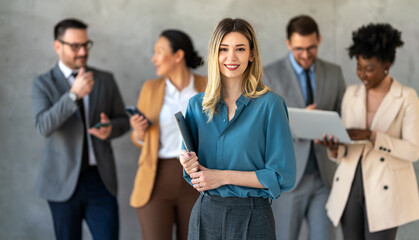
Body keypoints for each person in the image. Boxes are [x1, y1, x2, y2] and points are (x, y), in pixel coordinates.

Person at [179, 18, 296, 240]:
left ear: (252, 54)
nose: (231, 57)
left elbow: (281, 175)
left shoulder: (271, 105)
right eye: (223, 49)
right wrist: (187, 162)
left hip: (253, 215)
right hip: (206, 214)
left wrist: (222, 177)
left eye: (240, 49)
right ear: (215, 53)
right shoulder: (196, 105)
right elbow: (193, 171)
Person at [317, 23, 419, 240]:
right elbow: (345, 147)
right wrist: (335, 149)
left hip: (385, 189)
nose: (362, 74)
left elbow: (414, 151)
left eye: (369, 68)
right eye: (359, 67)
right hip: (349, 186)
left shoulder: (407, 96)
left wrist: (372, 136)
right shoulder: (352, 94)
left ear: (387, 65)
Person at [31, 18, 130, 240]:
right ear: (58, 46)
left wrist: (110, 129)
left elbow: (123, 121)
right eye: (75, 46)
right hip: (62, 181)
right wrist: (73, 95)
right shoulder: (42, 83)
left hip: (100, 179)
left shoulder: (105, 79)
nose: (83, 51)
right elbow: (43, 126)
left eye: (86, 44)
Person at [263, 15, 346, 240]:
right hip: (288, 176)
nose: (306, 54)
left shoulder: (334, 72)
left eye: (311, 47)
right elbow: (262, 127)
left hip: (325, 177)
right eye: (299, 48)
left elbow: (343, 117)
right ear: (288, 43)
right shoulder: (269, 74)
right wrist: (297, 124)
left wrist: (335, 135)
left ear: (319, 40)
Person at [129, 30, 207, 240]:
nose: (153, 58)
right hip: (156, 178)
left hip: (197, 178)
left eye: (159, 52)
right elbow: (140, 140)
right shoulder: (150, 89)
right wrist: (139, 132)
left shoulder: (207, 87)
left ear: (178, 55)